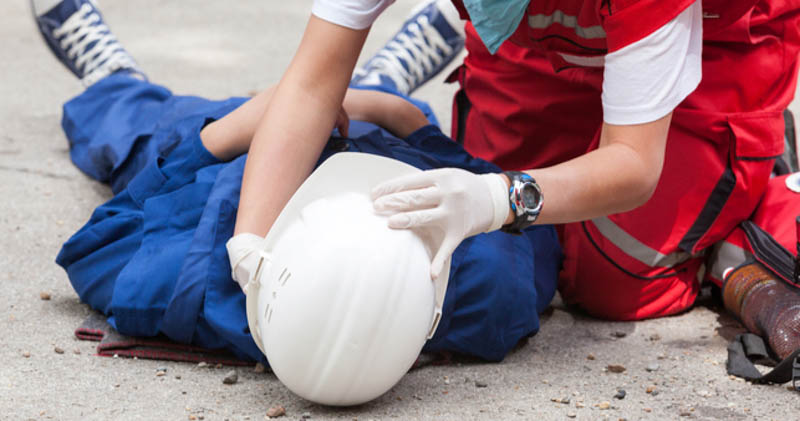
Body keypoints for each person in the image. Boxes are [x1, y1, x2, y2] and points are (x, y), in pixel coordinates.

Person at [32, 0, 561, 363]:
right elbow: (498, 201)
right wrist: (392, 111)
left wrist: (238, 126)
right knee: (365, 100)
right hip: (379, 134)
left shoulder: (197, 282)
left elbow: (99, 239)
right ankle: (379, 79)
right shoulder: (490, 289)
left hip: (242, 149)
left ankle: (112, 76)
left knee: (142, 131)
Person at [236, 0, 800, 321]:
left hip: (714, 42)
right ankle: (397, 72)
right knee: (510, 249)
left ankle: (760, 184)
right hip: (544, 38)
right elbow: (310, 88)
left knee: (612, 285)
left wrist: (498, 197)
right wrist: (251, 243)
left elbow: (631, 164)